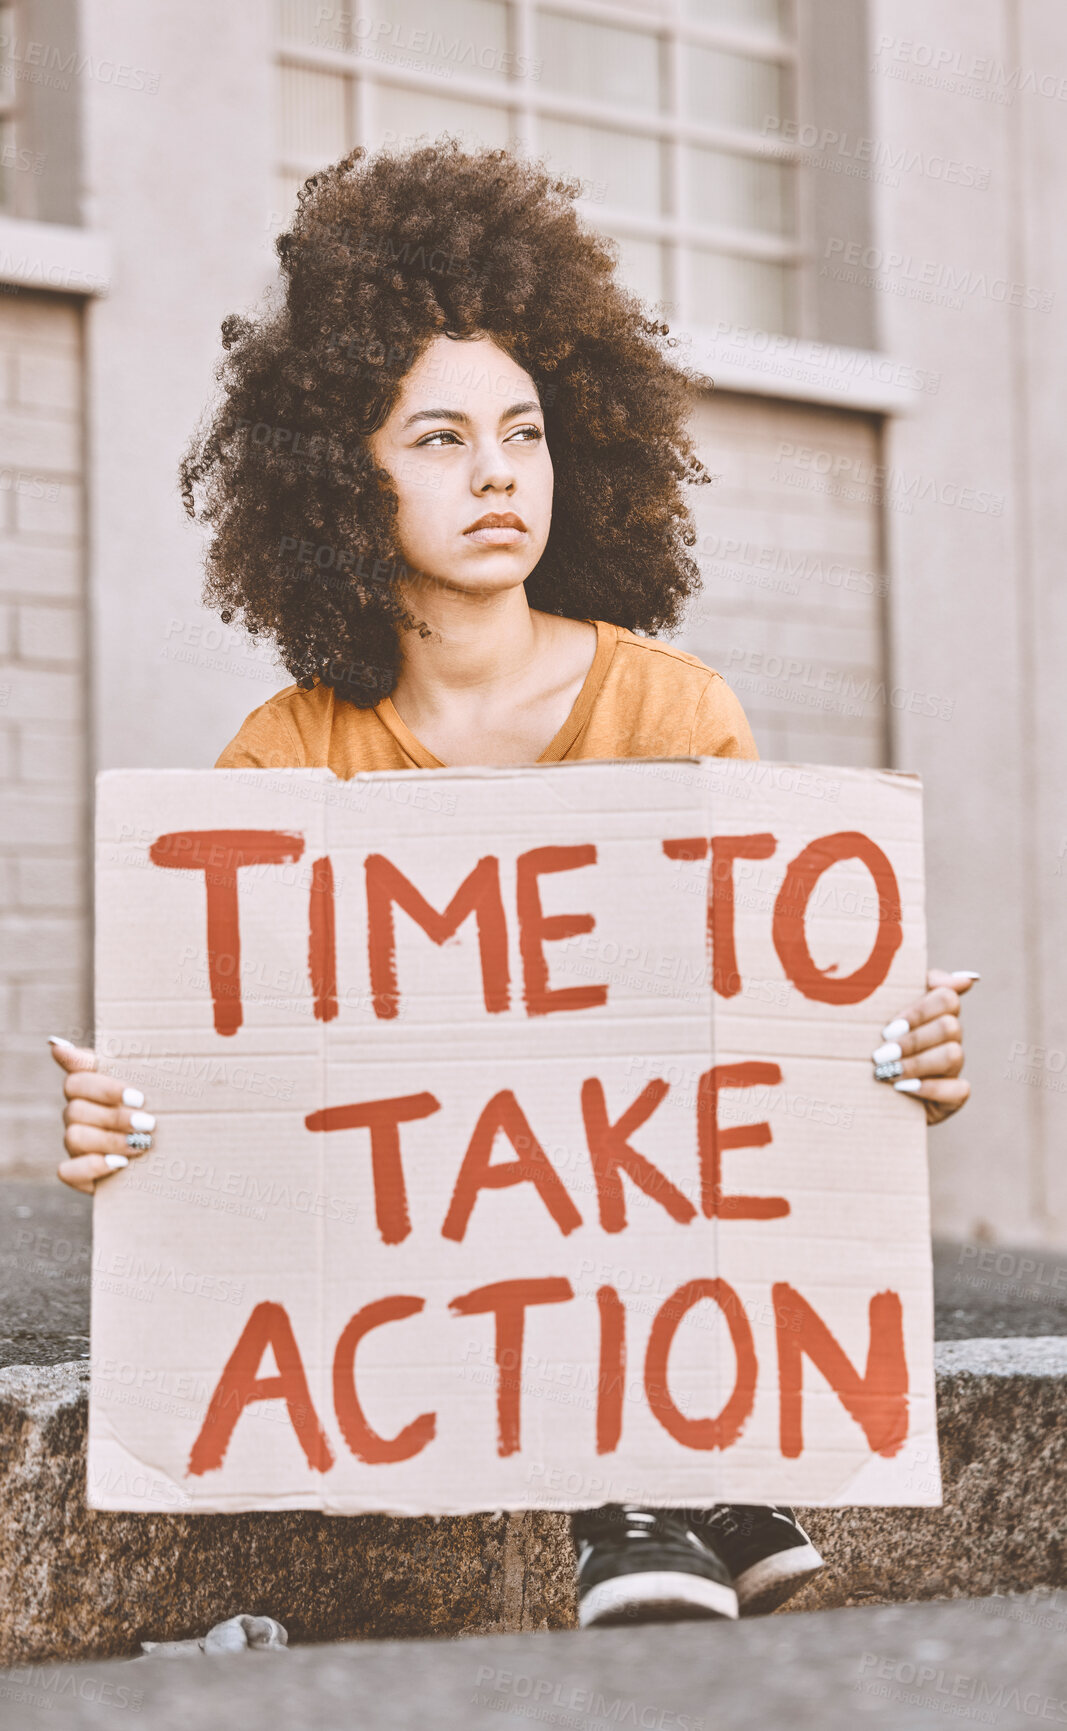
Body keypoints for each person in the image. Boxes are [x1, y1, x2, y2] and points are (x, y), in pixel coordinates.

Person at [49, 142, 974, 1630]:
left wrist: (885, 1056)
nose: (497, 473)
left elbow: (758, 1063)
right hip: (416, 1290)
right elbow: (246, 1087)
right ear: (337, 473)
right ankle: (665, 1485)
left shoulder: (680, 714)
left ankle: (662, 1472)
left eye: (527, 432)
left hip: (664, 1258)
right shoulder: (287, 759)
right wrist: (126, 1120)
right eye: (438, 439)